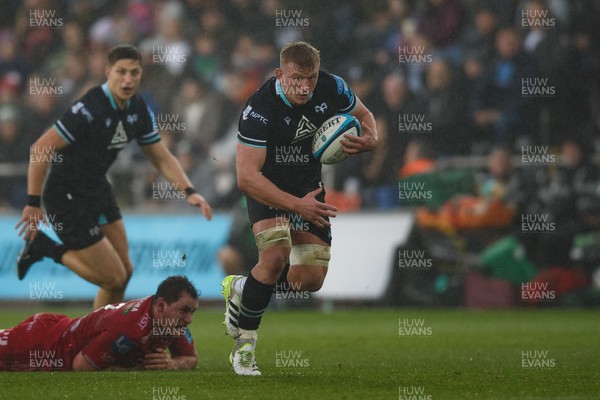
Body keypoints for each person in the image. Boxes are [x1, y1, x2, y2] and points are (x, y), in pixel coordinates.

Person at [15, 45, 212, 309]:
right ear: (108, 72)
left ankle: (101, 340)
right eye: (121, 72)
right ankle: (43, 246)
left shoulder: (138, 108)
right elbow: (41, 148)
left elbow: (161, 156)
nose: (128, 79)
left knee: (124, 274)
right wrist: (32, 201)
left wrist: (190, 191)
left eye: (134, 72)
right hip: (67, 195)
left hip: (97, 188)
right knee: (112, 278)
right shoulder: (90, 107)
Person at [222, 41, 377, 375]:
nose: (305, 86)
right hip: (267, 188)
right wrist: (296, 207)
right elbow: (246, 177)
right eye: (296, 78)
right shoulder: (259, 108)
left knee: (309, 280)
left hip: (308, 187)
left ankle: (243, 288)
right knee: (275, 258)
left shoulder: (332, 86)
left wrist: (372, 138)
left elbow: (363, 115)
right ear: (280, 74)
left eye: (311, 77)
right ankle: (244, 348)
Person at [0, 275, 199, 371]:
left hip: (63, 327)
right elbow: (81, 367)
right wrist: (138, 367)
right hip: (44, 343)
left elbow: (190, 358)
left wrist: (172, 364)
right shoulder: (128, 329)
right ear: (162, 306)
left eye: (192, 312)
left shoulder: (172, 322)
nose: (189, 320)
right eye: (184, 311)